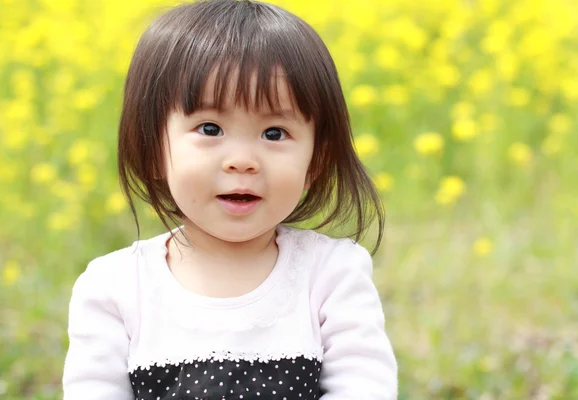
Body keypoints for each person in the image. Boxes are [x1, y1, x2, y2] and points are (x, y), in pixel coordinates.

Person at [62, 0, 398, 398]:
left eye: (274, 133)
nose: (242, 161)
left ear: (316, 160)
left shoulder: (331, 275)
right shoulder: (114, 288)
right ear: (153, 148)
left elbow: (363, 387)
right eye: (210, 128)